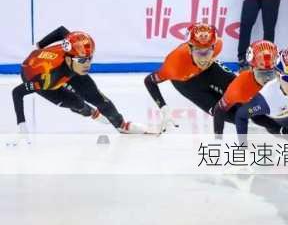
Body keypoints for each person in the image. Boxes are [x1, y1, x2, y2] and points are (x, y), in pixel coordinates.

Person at [11, 26, 148, 141]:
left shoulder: (73, 45)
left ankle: (121, 125)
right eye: (82, 61)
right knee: (76, 103)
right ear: (69, 60)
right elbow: (17, 92)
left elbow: (61, 31)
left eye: (89, 59)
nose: (87, 65)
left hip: (65, 68)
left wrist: (40, 45)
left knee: (97, 97)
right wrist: (21, 123)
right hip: (36, 75)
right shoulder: (47, 78)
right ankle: (90, 112)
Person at [144, 23, 236, 132]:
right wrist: (164, 107)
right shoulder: (174, 66)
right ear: (189, 49)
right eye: (198, 51)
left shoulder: (218, 45)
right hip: (186, 82)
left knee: (241, 89)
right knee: (224, 113)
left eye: (208, 51)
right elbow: (149, 81)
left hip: (209, 70)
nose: (203, 58)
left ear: (213, 47)